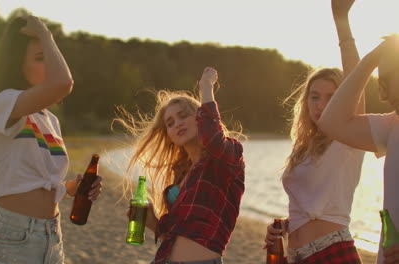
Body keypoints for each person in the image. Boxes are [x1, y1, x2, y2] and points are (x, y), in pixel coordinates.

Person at [0, 16, 102, 263]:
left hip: (51, 235)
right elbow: (63, 82)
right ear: (17, 64)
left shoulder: (50, 119)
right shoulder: (2, 103)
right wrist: (46, 34)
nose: (49, 66)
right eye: (40, 59)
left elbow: (41, 185)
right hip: (14, 235)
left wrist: (74, 187)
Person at [265, 0, 365, 263]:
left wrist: (341, 20)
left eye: (332, 97)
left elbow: (357, 80)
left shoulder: (347, 139)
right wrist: (285, 226)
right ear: (305, 102)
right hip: (296, 256)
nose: (321, 105)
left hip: (332, 253)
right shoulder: (303, 147)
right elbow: (310, 208)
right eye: (315, 97)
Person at [118, 67, 245, 264]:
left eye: (183, 115)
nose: (177, 123)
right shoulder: (181, 174)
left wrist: (205, 86)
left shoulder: (226, 158)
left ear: (199, 116)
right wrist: (153, 222)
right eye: (170, 123)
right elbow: (176, 234)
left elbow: (213, 139)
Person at [317, 33, 399, 264]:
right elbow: (331, 122)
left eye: (386, 82)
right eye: (378, 84)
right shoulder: (392, 126)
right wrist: (371, 60)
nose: (382, 96)